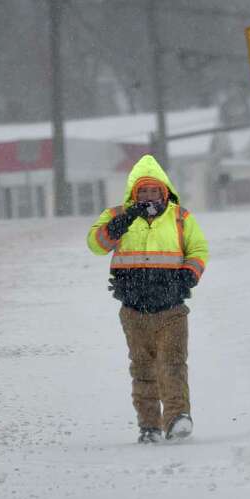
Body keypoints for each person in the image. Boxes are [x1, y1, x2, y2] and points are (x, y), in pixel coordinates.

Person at [87, 155, 209, 444]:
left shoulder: (181, 217)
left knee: (173, 364)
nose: (149, 196)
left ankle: (178, 418)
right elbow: (95, 244)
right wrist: (122, 223)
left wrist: (188, 276)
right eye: (143, 191)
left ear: (164, 191)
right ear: (133, 193)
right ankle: (149, 426)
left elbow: (199, 250)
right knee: (142, 369)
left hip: (172, 308)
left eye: (154, 190)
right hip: (133, 309)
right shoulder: (116, 215)